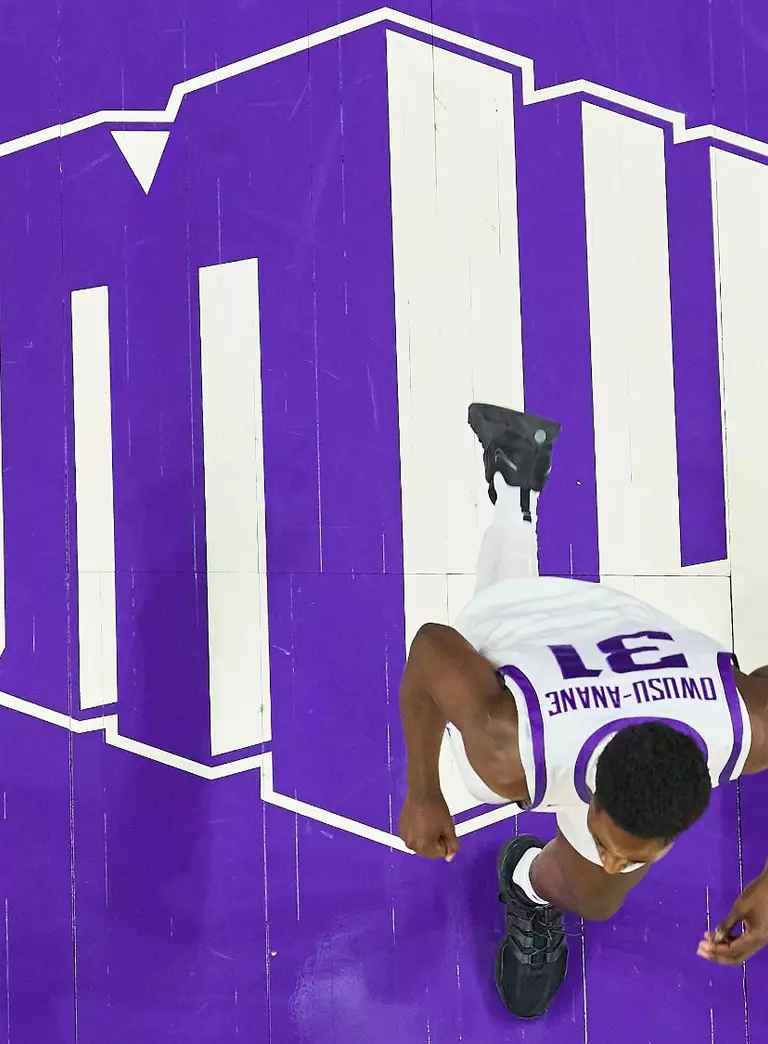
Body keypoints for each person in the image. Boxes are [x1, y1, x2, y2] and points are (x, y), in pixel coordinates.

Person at [397, 403, 768, 1020]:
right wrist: (423, 789)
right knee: (478, 757)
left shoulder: (747, 727)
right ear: (592, 796)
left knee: (596, 898)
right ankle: (513, 499)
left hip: (624, 628)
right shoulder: (506, 745)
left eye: (636, 853)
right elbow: (433, 650)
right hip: (521, 639)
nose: (614, 858)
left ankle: (516, 484)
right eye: (608, 840)